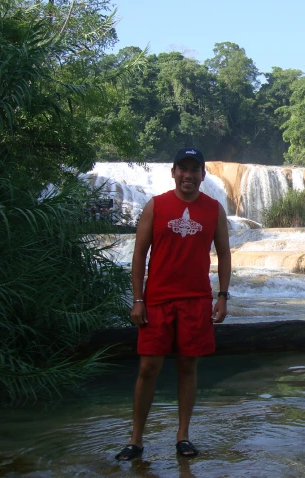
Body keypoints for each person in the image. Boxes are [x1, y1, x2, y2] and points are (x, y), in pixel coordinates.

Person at [115, 147, 231, 461]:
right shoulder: (156, 206)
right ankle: (136, 439)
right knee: (148, 369)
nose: (189, 175)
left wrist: (222, 296)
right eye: (183, 169)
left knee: (187, 367)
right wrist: (137, 299)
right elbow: (138, 255)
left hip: (196, 300)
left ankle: (183, 436)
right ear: (174, 172)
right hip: (157, 300)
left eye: (195, 170)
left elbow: (224, 255)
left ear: (203, 175)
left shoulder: (214, 209)